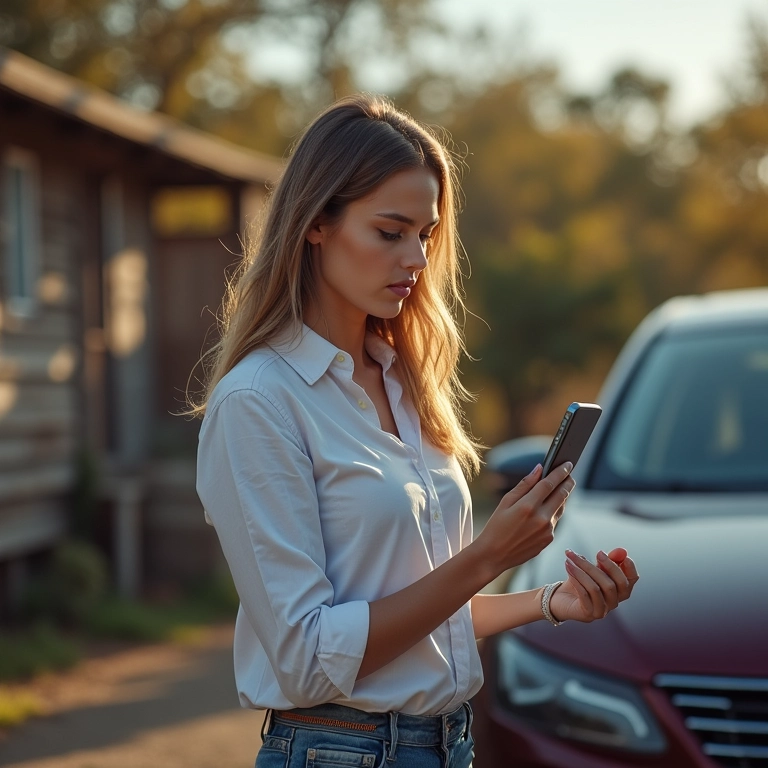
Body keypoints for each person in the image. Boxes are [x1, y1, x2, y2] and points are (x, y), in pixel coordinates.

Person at [192, 93, 639, 768]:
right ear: (317, 223)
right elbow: (310, 657)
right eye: (389, 232)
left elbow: (419, 618)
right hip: (339, 753)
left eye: (425, 236)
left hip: (446, 745)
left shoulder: (406, 386)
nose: (416, 260)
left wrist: (550, 601)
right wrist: (486, 555)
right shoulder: (259, 402)